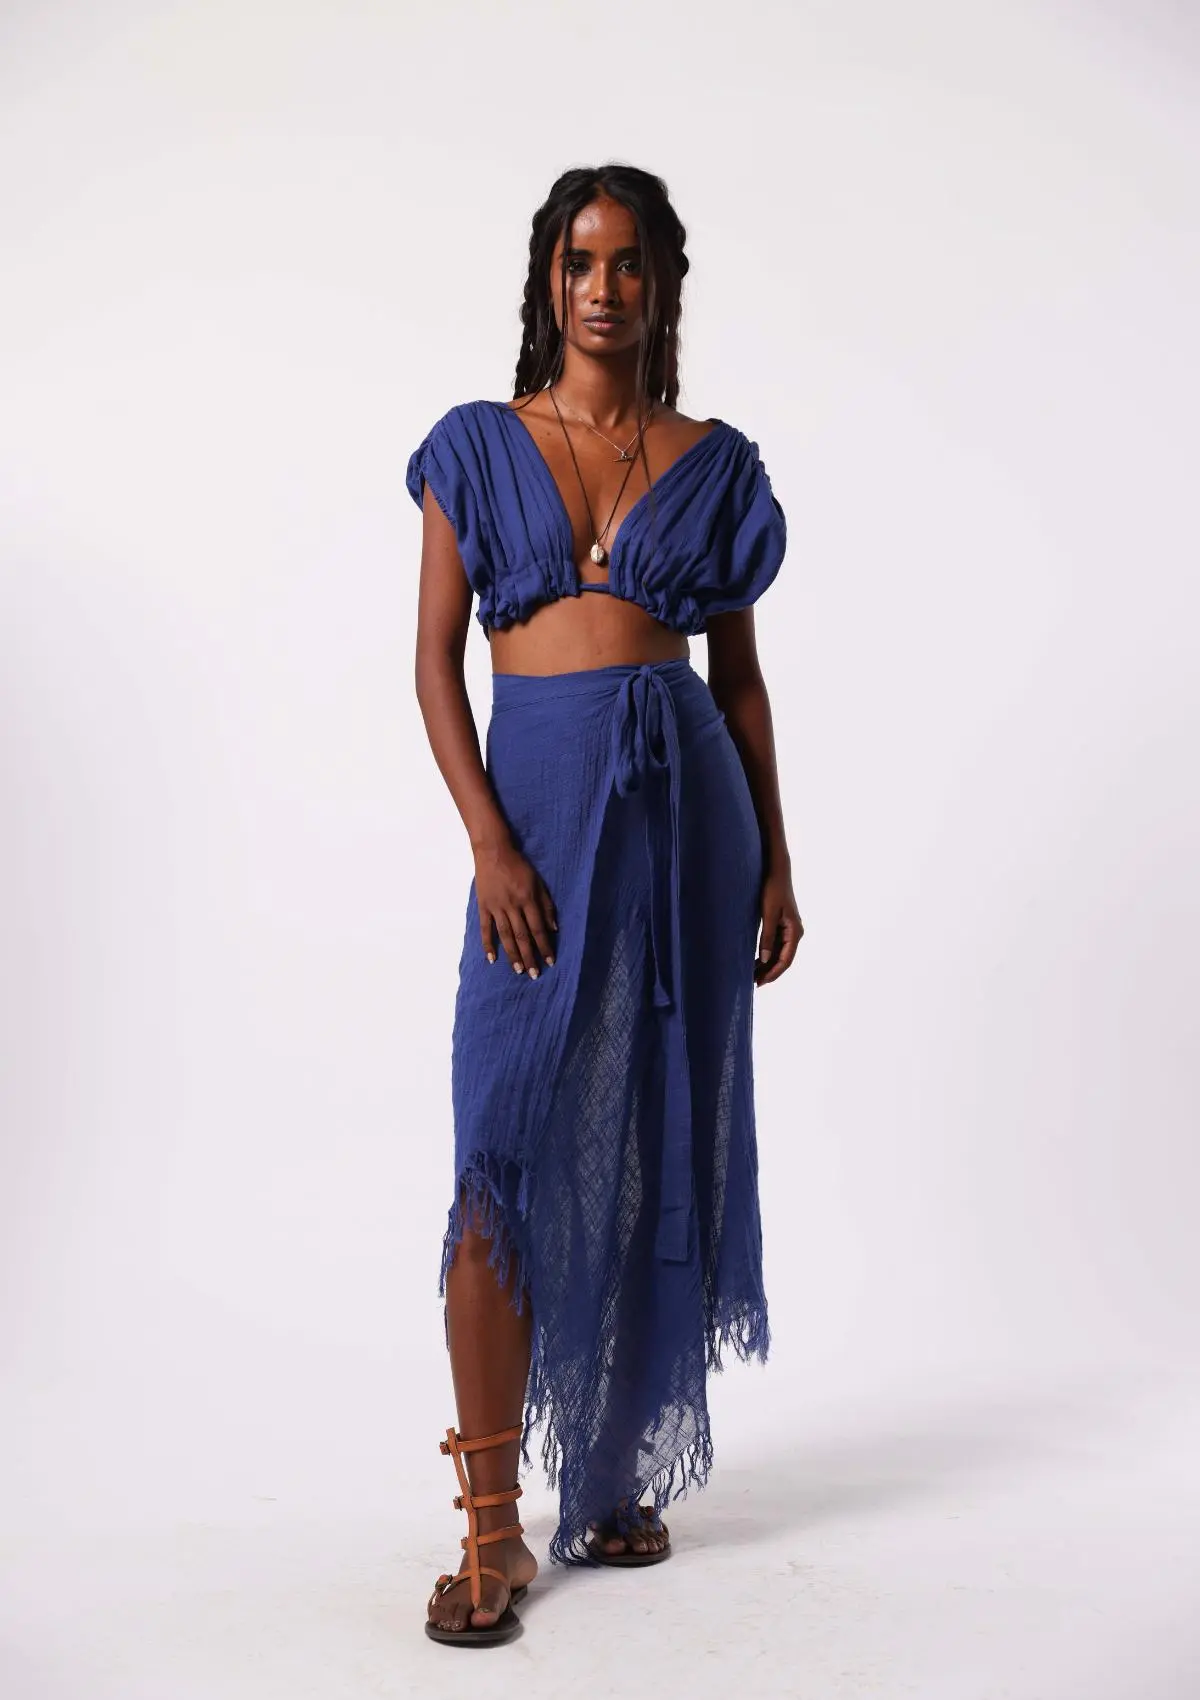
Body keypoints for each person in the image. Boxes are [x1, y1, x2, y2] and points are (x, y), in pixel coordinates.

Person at [406, 163, 803, 1647]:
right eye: (581, 261)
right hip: (536, 818)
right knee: (501, 1143)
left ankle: (616, 1474)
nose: (604, 288)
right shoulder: (477, 445)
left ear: (662, 286)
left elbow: (739, 682)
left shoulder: (715, 461)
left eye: (631, 263)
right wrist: (489, 845)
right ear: (548, 279)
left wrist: (777, 857)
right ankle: (490, 1529)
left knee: (648, 1128)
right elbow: (434, 665)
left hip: (685, 815)